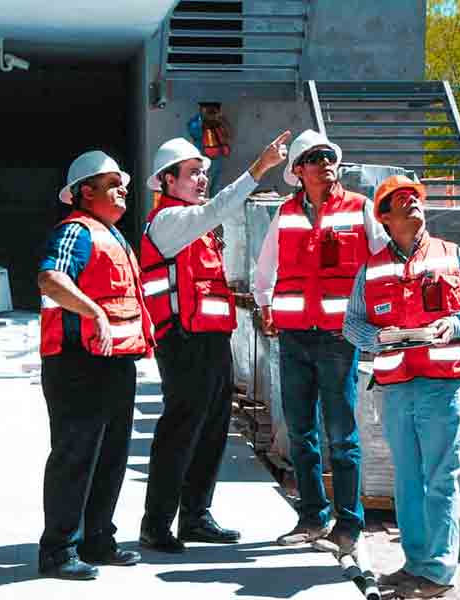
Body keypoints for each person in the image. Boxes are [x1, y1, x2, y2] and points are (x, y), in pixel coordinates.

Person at [343, 175, 460, 599]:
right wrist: (375, 338)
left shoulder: (453, 257)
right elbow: (352, 322)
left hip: (441, 386)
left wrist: (456, 323)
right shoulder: (371, 269)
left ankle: (439, 572)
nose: (412, 203)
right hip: (394, 387)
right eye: (401, 200)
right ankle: (415, 565)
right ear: (385, 218)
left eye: (415, 198)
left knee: (441, 478)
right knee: (408, 480)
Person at [138, 131, 291, 552]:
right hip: (183, 344)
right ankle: (156, 524)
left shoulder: (198, 228)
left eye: (204, 173)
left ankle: (195, 516)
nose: (201, 179)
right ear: (167, 181)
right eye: (192, 173)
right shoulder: (169, 222)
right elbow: (217, 209)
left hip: (210, 342)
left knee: (213, 431)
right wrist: (257, 168)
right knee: (180, 431)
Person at [252, 129, 390, 553]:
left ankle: (349, 524)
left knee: (341, 433)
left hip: (337, 338)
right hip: (293, 336)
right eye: (314, 158)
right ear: (297, 170)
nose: (325, 163)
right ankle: (313, 516)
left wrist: (375, 321)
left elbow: (384, 262)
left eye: (329, 156)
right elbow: (265, 268)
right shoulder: (286, 214)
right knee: (300, 430)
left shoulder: (359, 209)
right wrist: (264, 307)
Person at [37, 150, 156, 580]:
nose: (123, 189)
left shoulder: (114, 236)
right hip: (77, 363)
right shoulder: (75, 231)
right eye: (111, 184)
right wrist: (95, 312)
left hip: (115, 363)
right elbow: (51, 278)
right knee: (76, 455)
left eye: (123, 183)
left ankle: (98, 539)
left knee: (111, 455)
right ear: (85, 193)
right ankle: (57, 550)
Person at [187, 102, 232, 197]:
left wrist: (220, 119)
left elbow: (228, 134)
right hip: (203, 158)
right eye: (209, 110)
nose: (211, 113)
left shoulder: (220, 123)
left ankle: (214, 202)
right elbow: (194, 132)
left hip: (217, 159)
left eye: (214, 111)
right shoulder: (196, 122)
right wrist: (202, 120)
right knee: (201, 183)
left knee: (216, 184)